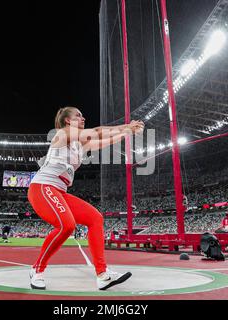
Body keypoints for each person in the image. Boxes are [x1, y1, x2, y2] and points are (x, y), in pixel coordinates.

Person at [28, 106, 144, 291]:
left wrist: (127, 133)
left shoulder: (79, 145)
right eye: (78, 116)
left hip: (60, 192)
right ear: (67, 121)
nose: (83, 118)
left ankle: (102, 275)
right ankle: (37, 269)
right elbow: (97, 132)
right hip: (42, 187)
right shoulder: (62, 134)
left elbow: (105, 140)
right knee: (67, 226)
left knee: (95, 218)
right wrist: (126, 126)